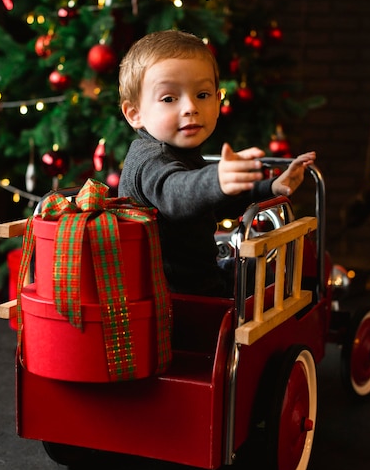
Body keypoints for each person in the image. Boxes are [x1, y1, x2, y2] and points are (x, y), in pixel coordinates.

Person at [118, 30, 315, 297]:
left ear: (218, 100)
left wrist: (270, 187)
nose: (190, 107)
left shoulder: (179, 153)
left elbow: (210, 202)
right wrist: (217, 179)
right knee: (277, 280)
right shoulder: (150, 159)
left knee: (272, 268)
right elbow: (177, 194)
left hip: (198, 278)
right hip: (177, 296)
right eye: (169, 98)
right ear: (135, 113)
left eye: (202, 94)